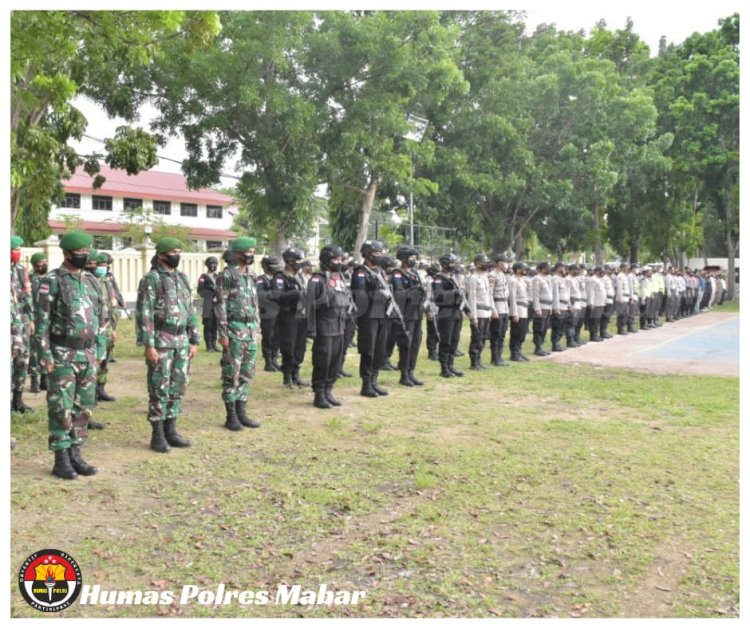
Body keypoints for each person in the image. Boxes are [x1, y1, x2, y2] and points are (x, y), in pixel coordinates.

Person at [34, 230, 104, 479]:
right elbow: (41, 322)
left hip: (87, 353)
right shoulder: (50, 281)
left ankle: (76, 453)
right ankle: (61, 458)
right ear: (66, 254)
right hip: (61, 353)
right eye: (80, 252)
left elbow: (101, 317)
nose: (84, 256)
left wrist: (99, 350)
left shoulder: (93, 281)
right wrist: (46, 357)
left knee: (83, 406)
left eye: (87, 252)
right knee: (61, 407)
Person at [135, 237, 200, 453]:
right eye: (173, 251)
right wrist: (149, 344)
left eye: (179, 250)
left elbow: (190, 310)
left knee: (178, 385)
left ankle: (171, 430)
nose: (177, 255)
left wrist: (194, 338)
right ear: (161, 255)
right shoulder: (151, 279)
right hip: (161, 340)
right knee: (159, 386)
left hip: (181, 340)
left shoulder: (181, 278)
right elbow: (144, 313)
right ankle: (158, 434)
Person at [214, 237, 261, 430]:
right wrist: (223, 333)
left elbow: (255, 303)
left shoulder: (251, 275)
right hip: (234, 330)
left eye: (252, 252)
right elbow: (220, 306)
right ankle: (231, 415)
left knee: (247, 372)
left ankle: (242, 412)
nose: (251, 255)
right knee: (231, 373)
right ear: (239, 254)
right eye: (247, 252)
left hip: (250, 331)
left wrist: (257, 327)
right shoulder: (227, 276)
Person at [306, 245, 351, 409]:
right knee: (323, 360)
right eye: (335, 259)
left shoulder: (340, 278)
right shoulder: (317, 279)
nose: (339, 262)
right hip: (324, 327)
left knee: (335, 360)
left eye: (340, 259)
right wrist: (311, 329)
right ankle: (319, 394)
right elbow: (309, 305)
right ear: (326, 260)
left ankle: (328, 390)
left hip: (339, 326)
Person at [351, 240, 393, 396]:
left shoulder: (379, 272)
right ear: (367, 254)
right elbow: (359, 297)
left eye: (381, 253)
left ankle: (374, 381)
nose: (380, 256)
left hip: (381, 315)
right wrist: (377, 295)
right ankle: (366, 384)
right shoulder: (360, 272)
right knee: (368, 350)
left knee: (380, 350)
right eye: (377, 253)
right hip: (368, 316)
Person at [271, 247, 309, 389]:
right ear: (289, 261)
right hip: (288, 316)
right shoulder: (280, 277)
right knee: (289, 346)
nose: (300, 263)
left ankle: (296, 374)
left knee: (300, 347)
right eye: (298, 260)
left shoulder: (300, 276)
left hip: (302, 315)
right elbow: (277, 296)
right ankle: (287, 376)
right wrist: (296, 293)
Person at [391, 246, 426, 386]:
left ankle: (411, 372)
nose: (414, 260)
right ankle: (404, 374)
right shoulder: (397, 274)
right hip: (405, 314)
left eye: (415, 257)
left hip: (417, 312)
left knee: (416, 343)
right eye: (411, 257)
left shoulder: (415, 274)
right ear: (404, 258)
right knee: (406, 344)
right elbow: (399, 295)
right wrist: (413, 290)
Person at [431, 253, 465, 377]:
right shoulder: (439, 279)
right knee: (446, 341)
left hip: (456, 312)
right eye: (452, 263)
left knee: (454, 340)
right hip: (446, 312)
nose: (454, 265)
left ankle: (451, 365)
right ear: (445, 264)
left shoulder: (452, 277)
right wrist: (453, 292)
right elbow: (438, 296)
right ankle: (444, 368)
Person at [11, 235, 34, 413]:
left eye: (19, 249)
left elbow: (28, 295)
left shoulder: (20, 270)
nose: (17, 253)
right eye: (14, 249)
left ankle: (17, 400)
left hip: (22, 321)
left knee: (22, 360)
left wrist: (31, 318)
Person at [94, 252, 118, 404]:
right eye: (99, 265)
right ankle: (91, 391)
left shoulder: (107, 282)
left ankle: (101, 389)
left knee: (105, 358)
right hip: (94, 328)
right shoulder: (89, 281)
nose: (102, 268)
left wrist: (114, 328)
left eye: (104, 265)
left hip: (107, 326)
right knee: (95, 358)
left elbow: (112, 306)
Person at [466, 254, 493, 370]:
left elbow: (488, 296)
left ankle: (479, 360)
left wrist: (491, 311)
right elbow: (471, 298)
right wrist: (474, 316)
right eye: (483, 262)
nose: (486, 264)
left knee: (483, 338)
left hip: (486, 312)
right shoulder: (473, 278)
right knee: (476, 338)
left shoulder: (485, 277)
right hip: (479, 312)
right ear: (477, 264)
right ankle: (474, 362)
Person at [28, 251, 49, 394]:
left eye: (46, 261)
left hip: (48, 319)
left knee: (46, 349)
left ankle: (44, 379)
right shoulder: (29, 279)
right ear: (35, 265)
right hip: (35, 318)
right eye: (42, 262)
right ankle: (34, 379)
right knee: (34, 350)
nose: (45, 264)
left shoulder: (50, 278)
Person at [256, 255, 281, 372]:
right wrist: (274, 293)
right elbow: (260, 295)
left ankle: (274, 358)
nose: (276, 267)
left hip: (278, 312)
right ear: (265, 266)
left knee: (277, 337)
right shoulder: (261, 279)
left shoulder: (278, 279)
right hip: (267, 313)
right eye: (273, 265)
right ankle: (268, 361)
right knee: (268, 337)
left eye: (277, 265)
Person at [488, 255, 510, 366]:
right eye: (504, 262)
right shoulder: (492, 275)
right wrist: (493, 310)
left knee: (502, 334)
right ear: (498, 263)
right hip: (497, 306)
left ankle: (499, 356)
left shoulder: (503, 275)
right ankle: (494, 358)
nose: (506, 264)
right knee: (496, 334)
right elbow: (490, 294)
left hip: (504, 307)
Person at [508, 262, 530, 362]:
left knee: (522, 331)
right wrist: (514, 313)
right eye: (522, 269)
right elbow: (512, 297)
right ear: (517, 270)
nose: (525, 271)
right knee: (516, 332)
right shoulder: (513, 281)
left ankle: (519, 351)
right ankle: (514, 353)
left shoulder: (522, 280)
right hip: (518, 308)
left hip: (524, 308)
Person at [197, 256, 220, 352]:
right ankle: (209, 345)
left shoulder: (218, 277)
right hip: (208, 304)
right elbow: (200, 290)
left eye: (215, 264)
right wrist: (211, 293)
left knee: (215, 326)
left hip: (217, 305)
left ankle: (214, 345)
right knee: (208, 325)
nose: (213, 266)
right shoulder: (203, 277)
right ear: (207, 265)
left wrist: (218, 295)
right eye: (211, 264)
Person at [531, 261, 553, 356]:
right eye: (545, 268)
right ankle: (537, 347)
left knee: (544, 327)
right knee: (539, 327)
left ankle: (541, 346)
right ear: (540, 269)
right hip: (541, 306)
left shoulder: (547, 279)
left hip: (547, 306)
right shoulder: (537, 279)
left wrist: (551, 307)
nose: (548, 269)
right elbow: (535, 295)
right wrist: (537, 308)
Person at [550, 262, 571, 352]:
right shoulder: (554, 279)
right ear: (557, 268)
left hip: (565, 305)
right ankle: (555, 344)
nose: (563, 269)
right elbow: (555, 294)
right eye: (561, 268)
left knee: (562, 326)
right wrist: (556, 307)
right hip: (559, 305)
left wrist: (569, 305)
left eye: (564, 267)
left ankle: (558, 342)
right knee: (557, 326)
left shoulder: (563, 279)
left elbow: (566, 293)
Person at [586, 266, 606, 341]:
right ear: (597, 271)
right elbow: (591, 292)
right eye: (602, 272)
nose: (603, 273)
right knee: (594, 320)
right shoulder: (593, 280)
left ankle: (596, 335)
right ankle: (593, 336)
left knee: (597, 320)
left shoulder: (600, 279)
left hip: (601, 302)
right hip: (595, 303)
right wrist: (591, 303)